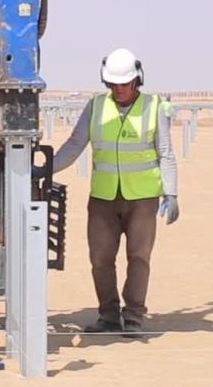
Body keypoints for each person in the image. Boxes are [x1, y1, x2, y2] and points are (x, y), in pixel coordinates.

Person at [52, 47, 179, 337]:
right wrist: (45, 170)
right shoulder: (96, 107)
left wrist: (171, 193)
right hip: (103, 199)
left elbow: (166, 153)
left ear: (137, 81)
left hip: (142, 199)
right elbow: (75, 145)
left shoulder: (155, 107)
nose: (119, 89)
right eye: (113, 84)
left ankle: (133, 315)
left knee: (139, 257)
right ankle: (108, 315)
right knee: (100, 258)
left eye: (124, 84)